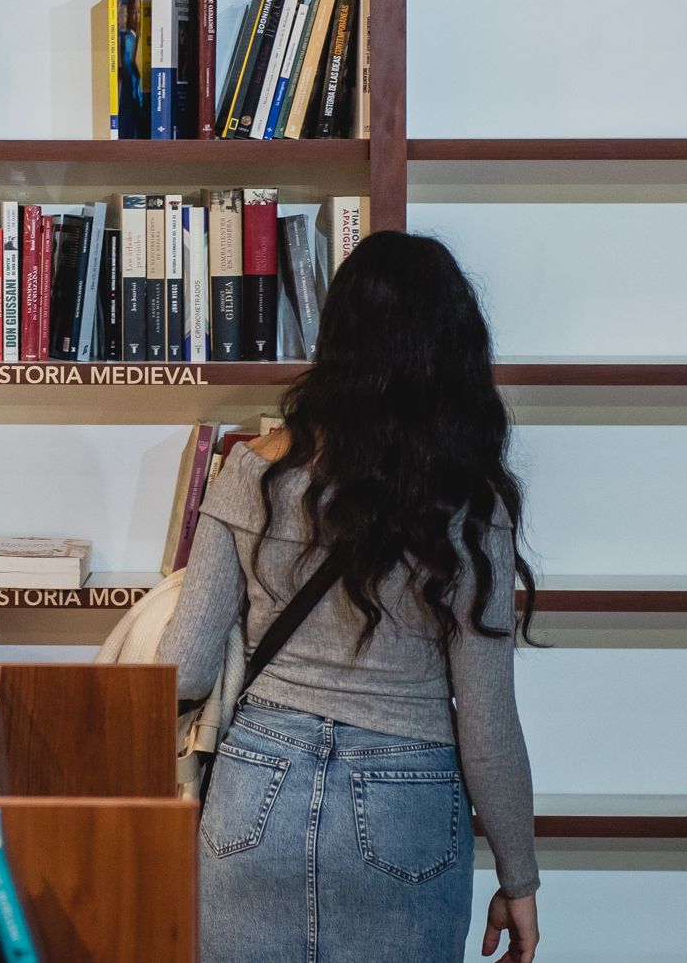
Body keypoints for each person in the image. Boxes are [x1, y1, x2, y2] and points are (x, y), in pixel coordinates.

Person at [158, 231, 541, 963]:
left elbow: (184, 671)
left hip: (255, 793)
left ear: (334, 343)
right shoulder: (469, 504)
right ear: (452, 350)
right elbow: (487, 724)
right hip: (408, 808)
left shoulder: (252, 472)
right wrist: (519, 878)